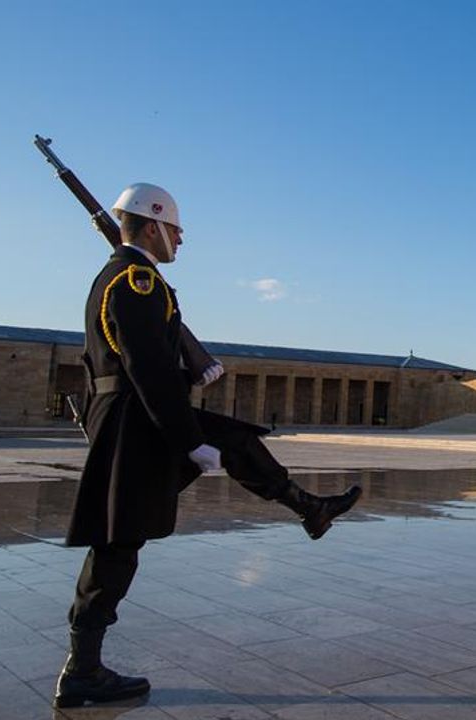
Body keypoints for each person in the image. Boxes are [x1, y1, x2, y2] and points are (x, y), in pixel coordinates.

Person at [54, 183, 362, 709]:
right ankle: (82, 670)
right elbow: (149, 370)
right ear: (152, 225)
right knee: (118, 543)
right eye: (175, 229)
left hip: (132, 417)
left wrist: (197, 434)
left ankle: (310, 508)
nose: (180, 239)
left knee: (236, 441)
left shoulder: (125, 277)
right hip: (135, 422)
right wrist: (189, 441)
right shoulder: (137, 279)